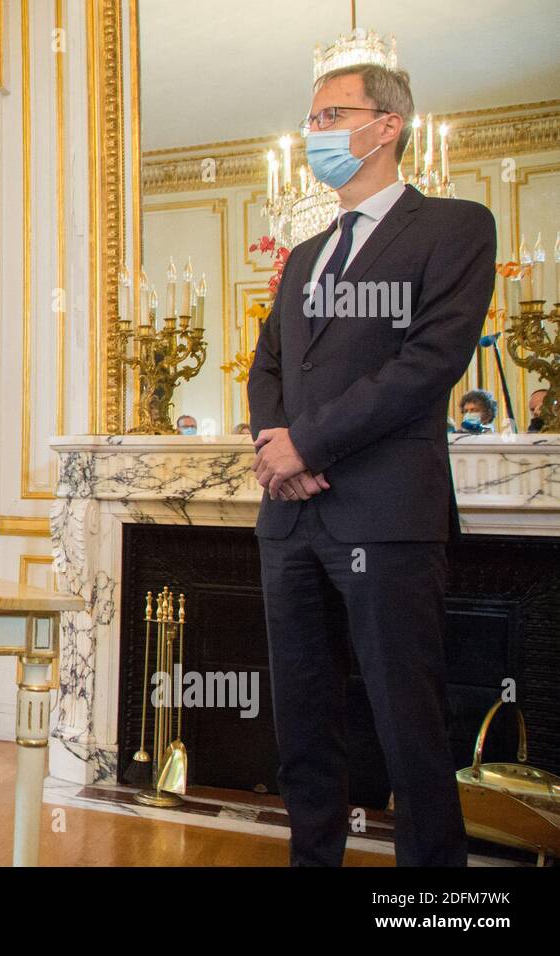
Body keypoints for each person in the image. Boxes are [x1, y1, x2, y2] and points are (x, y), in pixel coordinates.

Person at [247, 63, 496, 866]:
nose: (314, 131)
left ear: (386, 125)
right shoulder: (305, 252)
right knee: (304, 720)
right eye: (311, 118)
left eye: (331, 115)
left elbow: (428, 362)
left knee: (407, 724)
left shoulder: (457, 226)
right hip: (289, 519)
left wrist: (308, 445)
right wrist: (274, 447)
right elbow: (268, 368)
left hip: (387, 516)